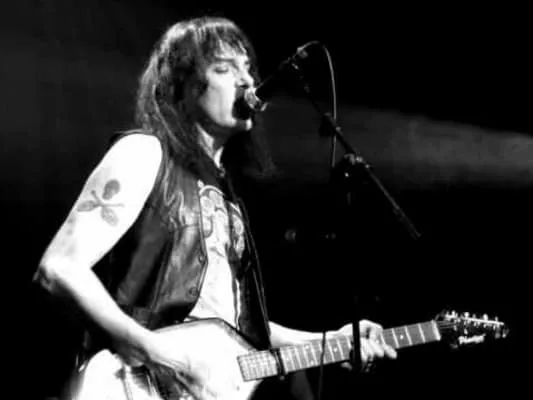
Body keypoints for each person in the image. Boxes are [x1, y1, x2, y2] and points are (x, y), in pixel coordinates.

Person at [32, 15, 397, 400]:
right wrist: (157, 353)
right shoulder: (145, 152)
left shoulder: (229, 197)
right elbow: (60, 268)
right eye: (223, 69)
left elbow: (236, 326)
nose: (246, 81)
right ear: (180, 87)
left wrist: (329, 341)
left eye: (247, 68)